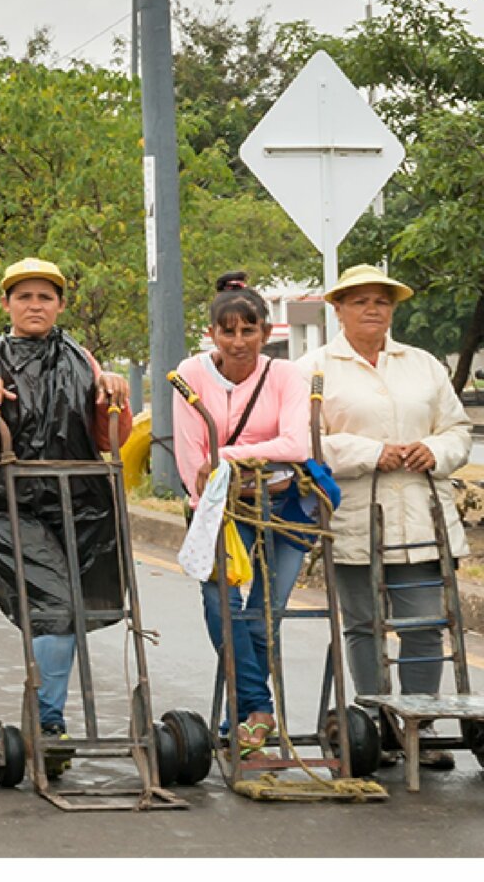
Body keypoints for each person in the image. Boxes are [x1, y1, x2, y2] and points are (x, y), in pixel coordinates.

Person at [0, 258, 133, 760]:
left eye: (45, 297)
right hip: (6, 499)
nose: (34, 305)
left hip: (78, 497)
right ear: (6, 304)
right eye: (23, 297)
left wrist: (113, 396)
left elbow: (114, 438)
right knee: (55, 608)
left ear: (61, 305)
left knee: (70, 607)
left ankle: (46, 718)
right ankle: (48, 722)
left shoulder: (81, 357)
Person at [300, 264, 471, 769]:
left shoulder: (423, 365)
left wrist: (431, 449)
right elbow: (307, 442)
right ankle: (377, 722)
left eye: (382, 301)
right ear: (338, 308)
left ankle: (420, 722)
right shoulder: (313, 368)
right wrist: (371, 452)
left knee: (424, 623)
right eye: (360, 301)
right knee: (365, 624)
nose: (372, 309)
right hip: (355, 514)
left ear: (393, 309)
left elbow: (458, 430)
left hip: (421, 514)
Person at [169, 284, 313, 758]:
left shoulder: (286, 374)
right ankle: (259, 710)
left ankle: (244, 717)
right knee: (222, 605)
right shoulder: (190, 375)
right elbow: (193, 465)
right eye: (227, 332)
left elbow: (296, 446)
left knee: (264, 615)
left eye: (248, 330)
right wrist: (220, 481)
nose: (238, 342)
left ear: (265, 332)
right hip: (217, 510)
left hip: (284, 506)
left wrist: (227, 456)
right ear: (211, 334)